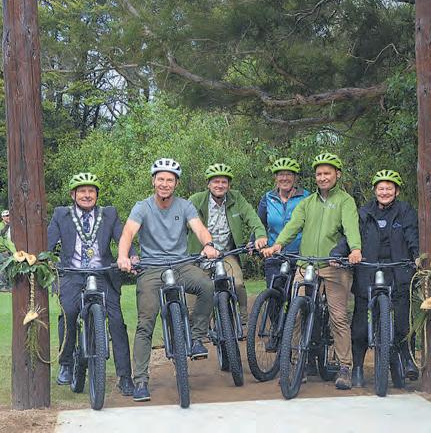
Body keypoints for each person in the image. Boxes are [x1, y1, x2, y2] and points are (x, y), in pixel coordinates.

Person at [117, 158, 219, 402]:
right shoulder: (142, 207)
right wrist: (123, 256)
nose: (165, 184)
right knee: (145, 323)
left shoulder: (185, 206)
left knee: (207, 285)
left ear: (176, 184)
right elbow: (128, 233)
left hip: (181, 264)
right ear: (153, 181)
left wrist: (208, 244)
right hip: (151, 269)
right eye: (160, 179)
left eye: (170, 180)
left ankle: (196, 337)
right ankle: (140, 380)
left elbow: (199, 228)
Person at [263, 151, 362, 390]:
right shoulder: (307, 202)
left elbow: (350, 227)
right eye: (319, 174)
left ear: (337, 174)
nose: (323, 177)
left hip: (333, 266)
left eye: (327, 173)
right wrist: (278, 244)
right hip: (306, 264)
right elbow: (293, 225)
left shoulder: (345, 201)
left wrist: (355, 249)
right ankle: (296, 362)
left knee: (338, 317)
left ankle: (345, 366)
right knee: (296, 313)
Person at [47, 173, 135, 396]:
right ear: (73, 194)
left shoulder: (109, 214)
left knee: (116, 321)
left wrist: (131, 257)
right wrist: (42, 259)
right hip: (72, 273)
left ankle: (125, 377)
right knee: (68, 312)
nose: (87, 195)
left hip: (103, 273)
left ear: (97, 194)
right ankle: (66, 363)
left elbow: (123, 239)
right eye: (82, 191)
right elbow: (48, 243)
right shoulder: (61, 214)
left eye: (91, 191)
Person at [350, 169, 419, 388]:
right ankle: (357, 367)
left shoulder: (405, 211)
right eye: (381, 188)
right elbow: (352, 237)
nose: (385, 192)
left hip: (397, 269)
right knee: (360, 324)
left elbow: (412, 235)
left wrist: (417, 255)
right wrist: (339, 253)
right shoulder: (364, 212)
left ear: (396, 191)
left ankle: (406, 359)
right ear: (375, 191)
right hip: (368, 269)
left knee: (402, 320)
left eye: (389, 188)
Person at [188, 163, 268, 327]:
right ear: (208, 184)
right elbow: (184, 223)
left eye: (224, 182)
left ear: (229, 185)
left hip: (226, 253)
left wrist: (260, 235)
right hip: (199, 255)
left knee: (237, 283)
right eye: (216, 181)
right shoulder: (196, 200)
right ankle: (195, 327)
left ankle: (243, 317)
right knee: (194, 294)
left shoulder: (236, 198)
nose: (220, 185)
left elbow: (252, 218)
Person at [258, 157, 310, 287]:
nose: (284, 178)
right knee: (274, 293)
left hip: (299, 256)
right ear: (275, 177)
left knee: (297, 294)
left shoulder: (306, 198)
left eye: (289, 174)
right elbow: (259, 224)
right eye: (281, 174)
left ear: (295, 178)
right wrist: (255, 241)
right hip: (274, 255)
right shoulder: (267, 198)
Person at [0, 210, 13, 291]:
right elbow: (1, 234)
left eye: (9, 215)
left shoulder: (11, 225)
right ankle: (2, 286)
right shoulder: (1, 225)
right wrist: (3, 250)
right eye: (6, 216)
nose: (8, 217)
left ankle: (8, 285)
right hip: (2, 250)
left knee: (9, 267)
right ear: (2, 217)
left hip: (9, 250)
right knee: (3, 267)